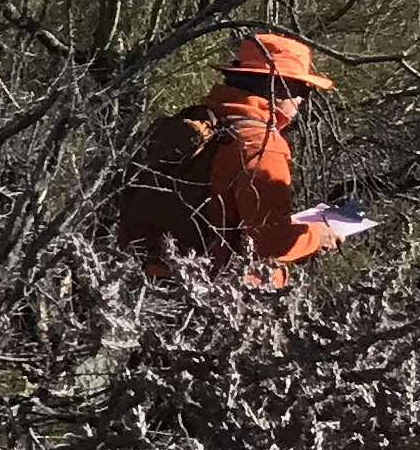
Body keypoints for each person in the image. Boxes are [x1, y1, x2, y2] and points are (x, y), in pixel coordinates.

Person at [114, 29, 343, 279]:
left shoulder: (198, 118)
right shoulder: (261, 144)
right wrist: (316, 236)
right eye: (303, 90)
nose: (302, 101)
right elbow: (270, 243)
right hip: (212, 294)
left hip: (144, 278)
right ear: (279, 86)